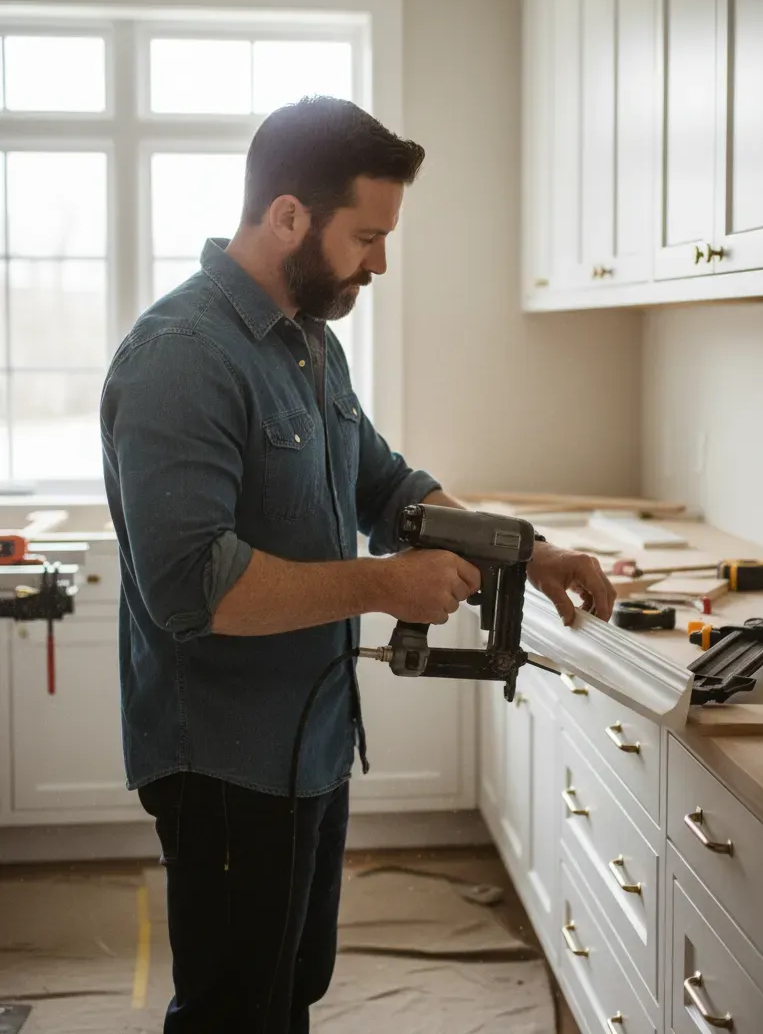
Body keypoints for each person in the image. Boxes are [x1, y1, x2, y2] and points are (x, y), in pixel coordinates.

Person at [100, 96, 615, 1034]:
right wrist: (384, 585)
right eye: (367, 237)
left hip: (311, 742)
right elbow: (196, 589)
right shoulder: (181, 356)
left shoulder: (309, 342)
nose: (380, 263)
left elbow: (387, 488)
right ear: (288, 215)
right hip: (223, 762)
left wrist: (532, 554)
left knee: (292, 987)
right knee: (232, 1012)